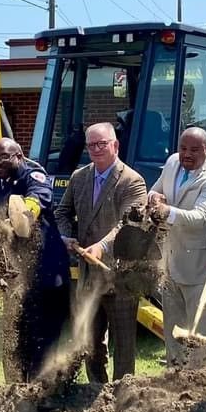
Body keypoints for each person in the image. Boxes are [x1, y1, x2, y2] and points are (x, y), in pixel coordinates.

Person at [55, 122, 147, 382]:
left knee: (124, 343)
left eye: (102, 144)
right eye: (91, 145)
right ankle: (97, 390)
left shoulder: (132, 181)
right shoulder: (79, 177)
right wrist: (65, 236)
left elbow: (128, 223)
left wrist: (102, 246)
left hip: (119, 275)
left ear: (115, 145)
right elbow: (63, 212)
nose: (96, 149)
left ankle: (123, 393)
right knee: (91, 342)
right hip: (88, 276)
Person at [0, 137, 71, 382]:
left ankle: (44, 393)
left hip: (47, 274)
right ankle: (16, 389)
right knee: (15, 336)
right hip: (15, 276)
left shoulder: (34, 177)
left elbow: (36, 200)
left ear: (19, 156)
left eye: (5, 156)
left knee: (44, 337)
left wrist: (22, 216)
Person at [147, 126, 206, 367]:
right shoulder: (172, 163)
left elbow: (200, 217)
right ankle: (174, 375)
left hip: (200, 264)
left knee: (198, 330)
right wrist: (155, 198)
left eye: (194, 150)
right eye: (183, 149)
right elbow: (156, 189)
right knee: (172, 327)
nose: (187, 155)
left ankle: (200, 379)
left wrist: (167, 211)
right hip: (170, 259)